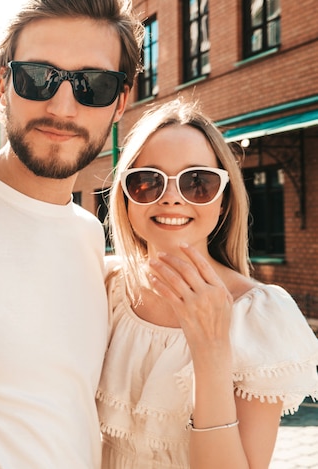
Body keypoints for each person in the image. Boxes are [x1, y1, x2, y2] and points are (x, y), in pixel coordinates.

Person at [0, 0, 144, 467]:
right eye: (38, 77)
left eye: (92, 85)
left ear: (120, 102)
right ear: (2, 83)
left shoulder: (88, 234)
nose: (62, 106)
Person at [97, 98, 318, 468]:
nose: (170, 198)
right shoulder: (103, 285)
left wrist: (211, 350)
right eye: (147, 181)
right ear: (126, 196)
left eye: (197, 182)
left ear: (223, 201)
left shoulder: (258, 315)